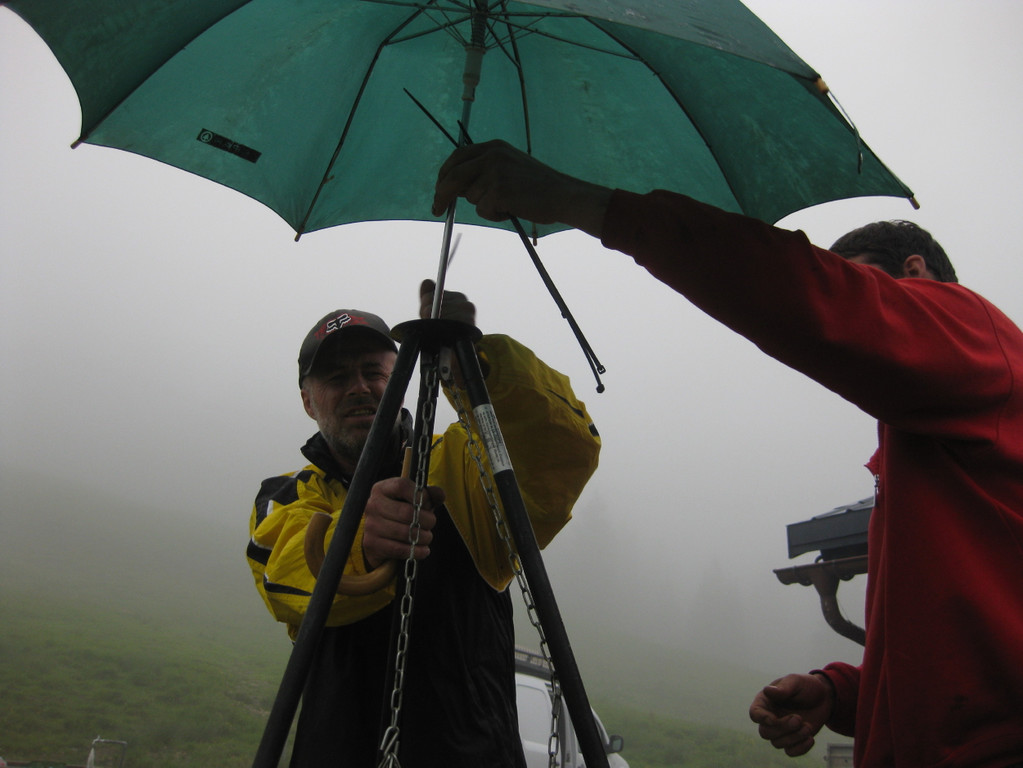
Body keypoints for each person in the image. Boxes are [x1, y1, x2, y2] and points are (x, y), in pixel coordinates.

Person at [432, 140, 1023, 767]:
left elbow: (809, 298)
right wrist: (841, 692)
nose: (839, 303)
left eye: (855, 280)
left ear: (915, 272)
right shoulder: (934, 436)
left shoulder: (974, 331)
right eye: (840, 282)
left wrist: (577, 201)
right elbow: (949, 638)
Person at [246, 280, 601, 767]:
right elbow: (280, 574)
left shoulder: (459, 460)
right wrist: (361, 545)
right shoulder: (287, 496)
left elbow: (563, 446)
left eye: (374, 371)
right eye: (335, 378)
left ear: (400, 376)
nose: (359, 388)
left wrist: (471, 363)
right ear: (309, 401)